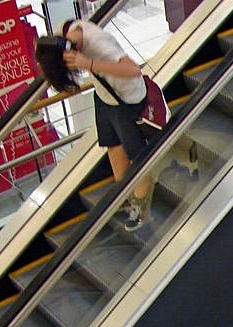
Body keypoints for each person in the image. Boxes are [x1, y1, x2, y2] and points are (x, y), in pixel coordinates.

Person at [35, 20, 154, 231]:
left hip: (127, 100)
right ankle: (125, 198)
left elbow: (133, 69)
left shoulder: (98, 42)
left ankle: (142, 211)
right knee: (114, 149)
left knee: (137, 157)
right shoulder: (66, 32)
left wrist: (88, 64)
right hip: (105, 97)